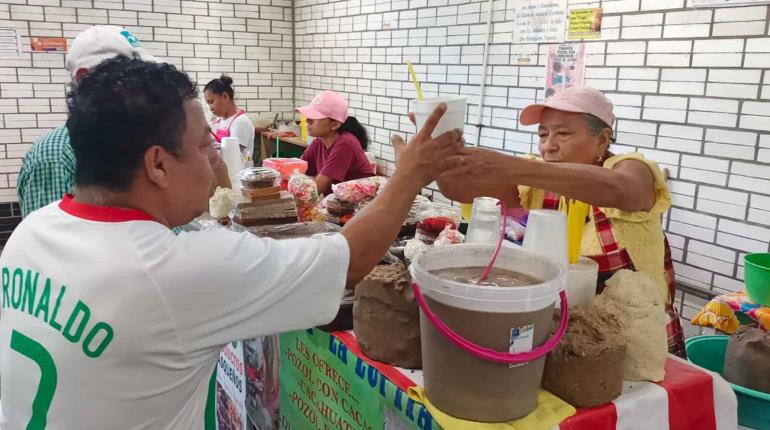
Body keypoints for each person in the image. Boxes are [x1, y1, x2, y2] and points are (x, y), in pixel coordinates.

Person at [0, 57, 463, 429]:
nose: (215, 161)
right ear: (158, 165)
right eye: (206, 147)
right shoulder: (176, 269)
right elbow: (350, 260)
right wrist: (411, 174)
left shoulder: (30, 233)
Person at [434, 86, 687, 357]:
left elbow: (621, 190)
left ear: (602, 139)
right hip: (569, 335)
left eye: (563, 133)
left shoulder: (632, 169)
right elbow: (459, 189)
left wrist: (510, 166)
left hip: (637, 341)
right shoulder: (539, 180)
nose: (548, 146)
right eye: (543, 134)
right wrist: (436, 147)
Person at [16, 25, 158, 219]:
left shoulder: (131, 142)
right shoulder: (54, 157)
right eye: (134, 77)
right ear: (85, 78)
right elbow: (53, 244)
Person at [295, 90, 374, 195]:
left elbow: (314, 191)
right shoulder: (319, 142)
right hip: (337, 204)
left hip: (359, 206)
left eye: (315, 117)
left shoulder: (346, 144)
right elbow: (297, 172)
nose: (308, 120)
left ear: (335, 125)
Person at [204, 75, 255, 157]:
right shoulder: (220, 120)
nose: (210, 108)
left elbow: (233, 155)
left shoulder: (240, 122)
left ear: (225, 96)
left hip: (236, 169)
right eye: (208, 103)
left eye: (212, 102)